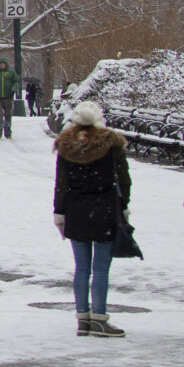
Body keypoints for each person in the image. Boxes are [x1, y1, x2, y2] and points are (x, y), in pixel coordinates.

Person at [53, 100, 133, 338]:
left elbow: (61, 183)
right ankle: (99, 317)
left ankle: (82, 318)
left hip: (76, 210)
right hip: (105, 208)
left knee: (81, 268)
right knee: (100, 268)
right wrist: (124, 206)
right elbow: (124, 179)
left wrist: (59, 213)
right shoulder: (111, 143)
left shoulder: (66, 144)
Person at [0, 62, 18, 140]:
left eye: (2, 64)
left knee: (8, 115)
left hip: (8, 97)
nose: (1, 65)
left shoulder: (11, 73)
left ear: (6, 64)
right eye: (0, 64)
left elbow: (16, 81)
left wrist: (13, 89)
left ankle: (8, 133)